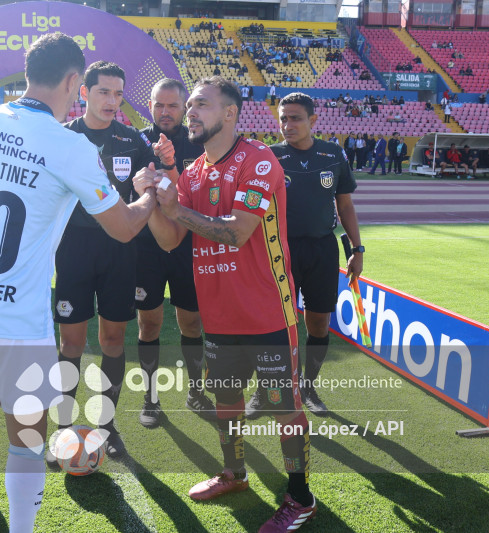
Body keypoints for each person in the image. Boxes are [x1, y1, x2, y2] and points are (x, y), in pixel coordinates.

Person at [0, 33, 158, 532]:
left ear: (29, 72)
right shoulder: (68, 145)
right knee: (28, 435)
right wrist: (146, 196)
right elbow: (122, 227)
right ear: (76, 82)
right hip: (17, 316)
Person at [134, 77, 318, 532]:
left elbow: (237, 233)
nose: (190, 112)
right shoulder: (194, 171)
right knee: (227, 401)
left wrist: (175, 209)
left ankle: (301, 497)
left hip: (267, 312)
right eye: (190, 105)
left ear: (230, 113)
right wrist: (155, 200)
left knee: (282, 405)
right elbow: (170, 239)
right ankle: (234, 474)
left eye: (201, 105)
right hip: (218, 315)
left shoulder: (258, 160)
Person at [50, 61, 178, 460]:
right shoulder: (64, 137)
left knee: (111, 339)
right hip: (72, 251)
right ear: (84, 93)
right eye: (104, 92)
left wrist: (159, 178)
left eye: (118, 93)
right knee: (70, 342)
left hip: (121, 252)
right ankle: (64, 426)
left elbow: (159, 188)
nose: (112, 101)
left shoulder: (132, 141)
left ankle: (106, 424)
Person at [248, 92, 363, 418]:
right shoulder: (269, 156)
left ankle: (307, 386)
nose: (287, 125)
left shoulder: (332, 154)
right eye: (283, 118)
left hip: (322, 249)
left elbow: (345, 206)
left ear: (313, 121)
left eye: (295, 118)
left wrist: (357, 249)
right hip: (279, 251)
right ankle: (265, 390)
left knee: (318, 324)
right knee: (274, 325)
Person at [135, 78, 214, 428]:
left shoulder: (201, 143)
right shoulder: (134, 141)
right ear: (149, 105)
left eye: (172, 106)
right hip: (146, 250)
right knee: (149, 324)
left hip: (188, 248)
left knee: (192, 322)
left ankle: (196, 391)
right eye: (158, 105)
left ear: (184, 107)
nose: (165, 112)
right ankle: (150, 399)